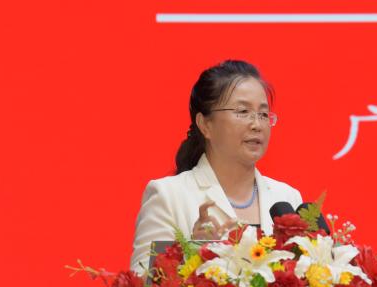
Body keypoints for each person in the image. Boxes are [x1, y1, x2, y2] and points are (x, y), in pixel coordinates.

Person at [129, 60, 303, 273]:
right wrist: (194, 253)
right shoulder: (168, 197)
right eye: (243, 111)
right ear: (205, 124)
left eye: (263, 114)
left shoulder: (287, 198)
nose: (257, 124)